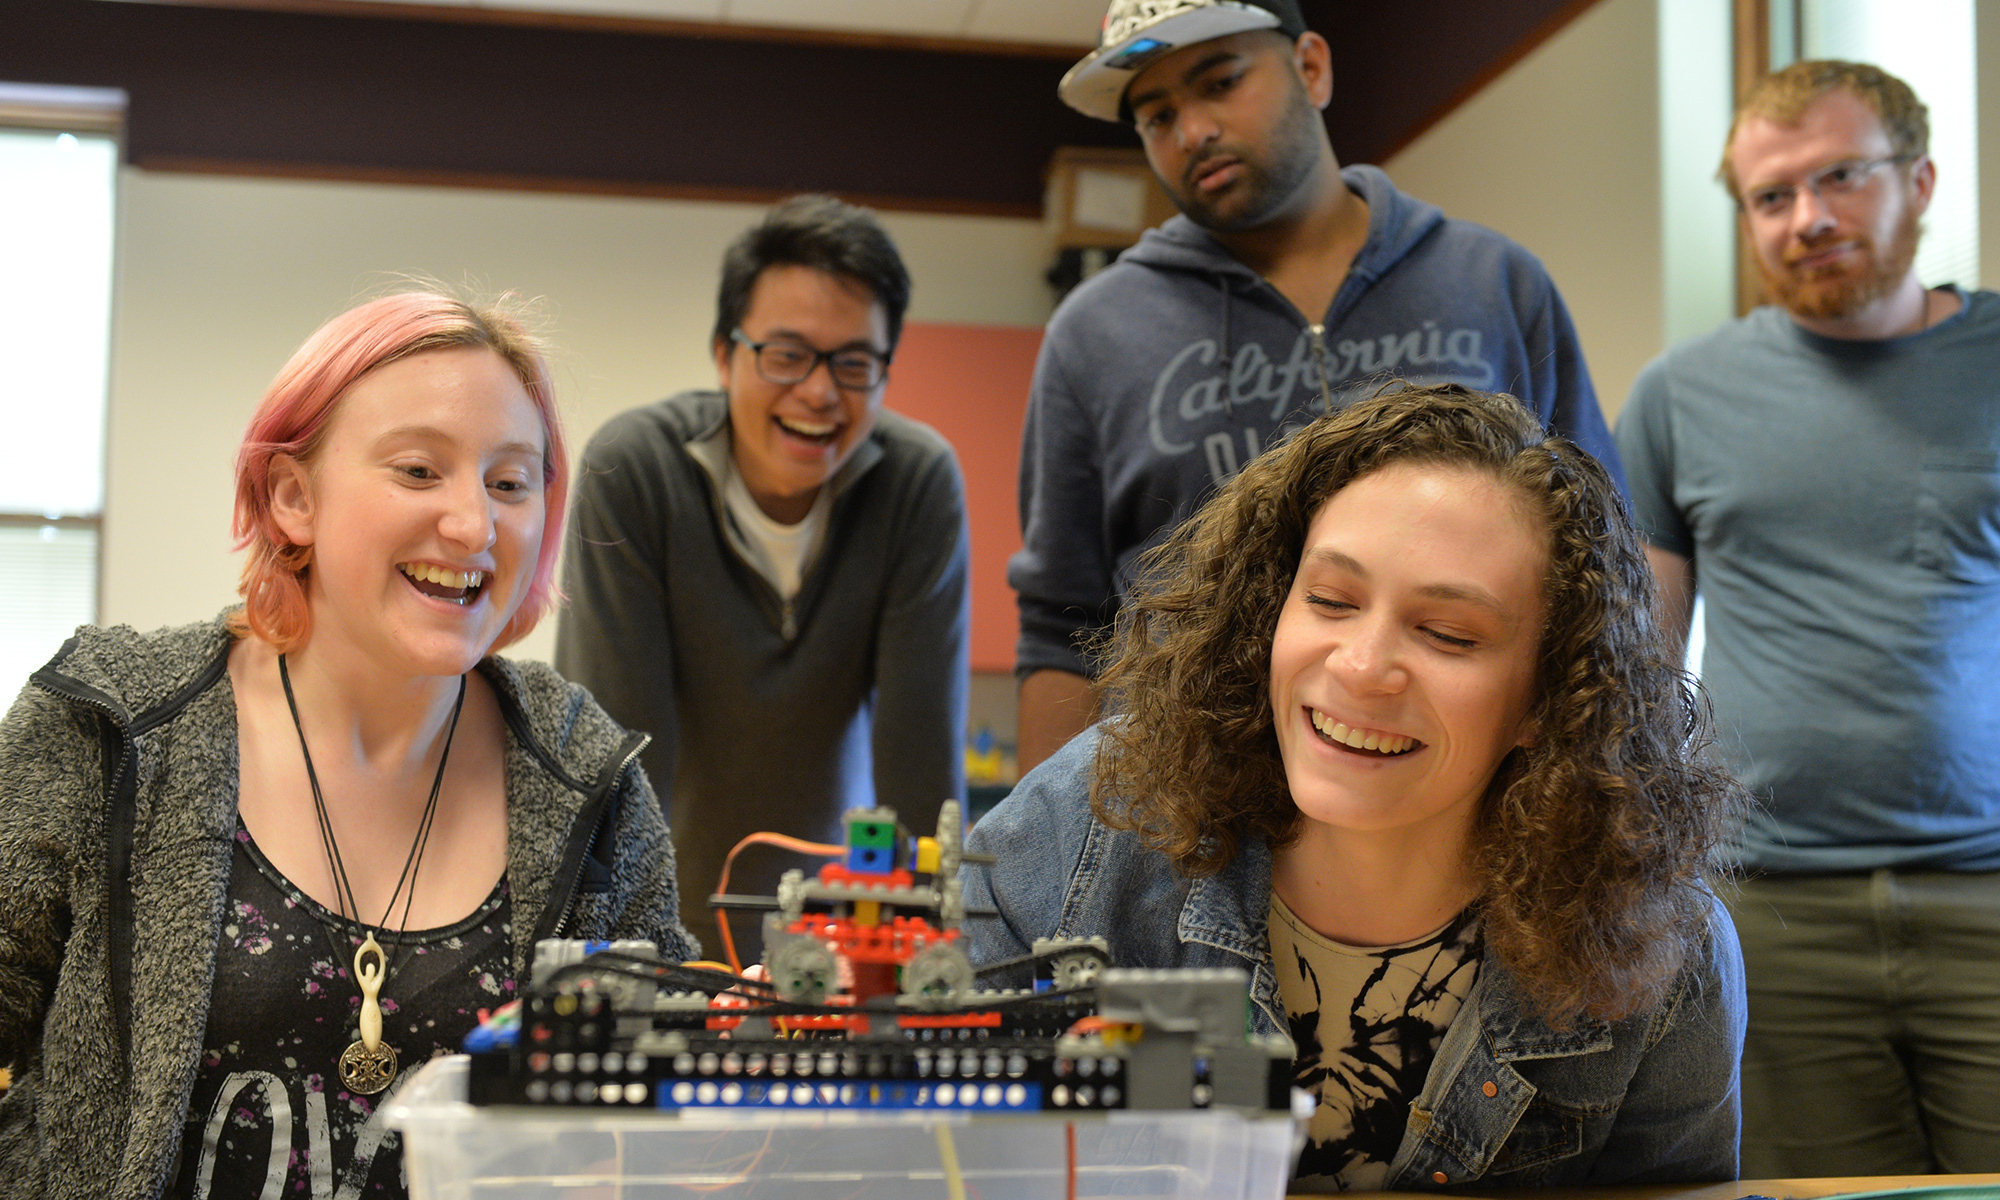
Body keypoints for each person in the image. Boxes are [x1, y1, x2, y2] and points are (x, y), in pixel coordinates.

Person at [0, 292, 695, 1199]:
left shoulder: (590, 782)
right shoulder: (112, 729)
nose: (474, 526)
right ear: (294, 496)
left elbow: (657, 1120)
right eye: (417, 470)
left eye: (511, 483)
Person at [968, 385, 1746, 1188]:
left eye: (1448, 635)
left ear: (1550, 700)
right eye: (1330, 601)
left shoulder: (1653, 948)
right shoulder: (1081, 825)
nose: (1361, 666)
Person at [1011, 0, 1622, 772]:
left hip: (1449, 787)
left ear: (1311, 67)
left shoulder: (1494, 284)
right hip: (1184, 806)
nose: (1192, 130)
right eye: (1156, 116)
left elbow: (1596, 564)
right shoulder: (1095, 331)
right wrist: (1049, 864)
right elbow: (1059, 621)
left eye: (1221, 82)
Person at [1617, 60, 2000, 1175]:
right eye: (1768, 196)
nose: (1806, 218)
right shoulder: (1679, 395)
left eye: (1838, 176)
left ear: (1919, 179)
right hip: (1765, 906)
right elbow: (1635, 663)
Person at [555, 195, 970, 950]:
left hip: (837, 924)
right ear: (724, 353)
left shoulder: (916, 484)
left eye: (854, 363)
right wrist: (638, 955)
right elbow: (619, 756)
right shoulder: (636, 471)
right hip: (660, 920)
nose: (818, 391)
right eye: (786, 355)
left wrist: (925, 950)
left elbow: (921, 766)